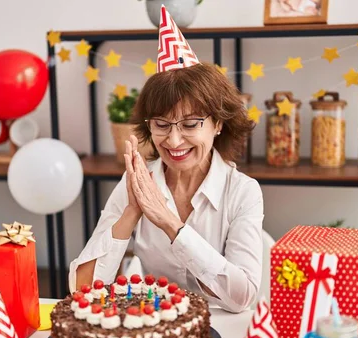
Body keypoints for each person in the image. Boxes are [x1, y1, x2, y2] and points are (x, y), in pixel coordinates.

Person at [68, 62, 264, 313]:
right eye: (161, 125)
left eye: (190, 124)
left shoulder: (243, 191)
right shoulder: (138, 181)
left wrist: (171, 224)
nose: (173, 141)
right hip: (155, 330)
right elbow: (81, 289)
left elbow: (243, 297)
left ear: (217, 124)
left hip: (222, 329)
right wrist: (132, 211)